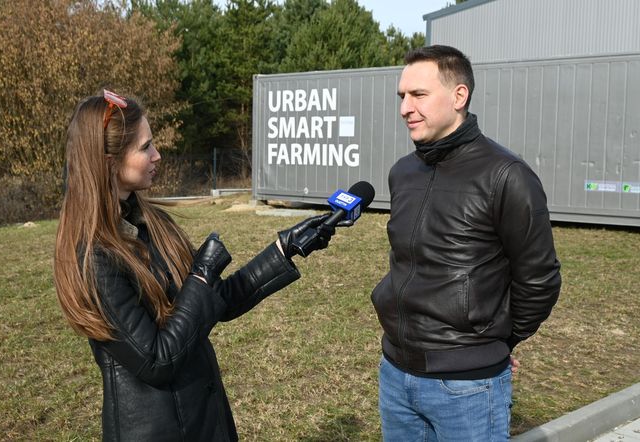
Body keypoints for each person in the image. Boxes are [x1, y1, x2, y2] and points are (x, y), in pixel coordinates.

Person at [54, 90, 335, 441]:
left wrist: (284, 249)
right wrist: (201, 275)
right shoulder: (94, 258)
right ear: (109, 162)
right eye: (145, 148)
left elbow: (210, 303)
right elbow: (157, 360)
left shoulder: (151, 223)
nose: (157, 155)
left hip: (205, 419)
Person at [371, 45, 562, 441]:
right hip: (395, 374)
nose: (405, 108)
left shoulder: (507, 176)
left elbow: (539, 279)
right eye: (402, 97)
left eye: (418, 95)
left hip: (468, 389)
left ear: (459, 96)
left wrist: (496, 342)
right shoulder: (402, 173)